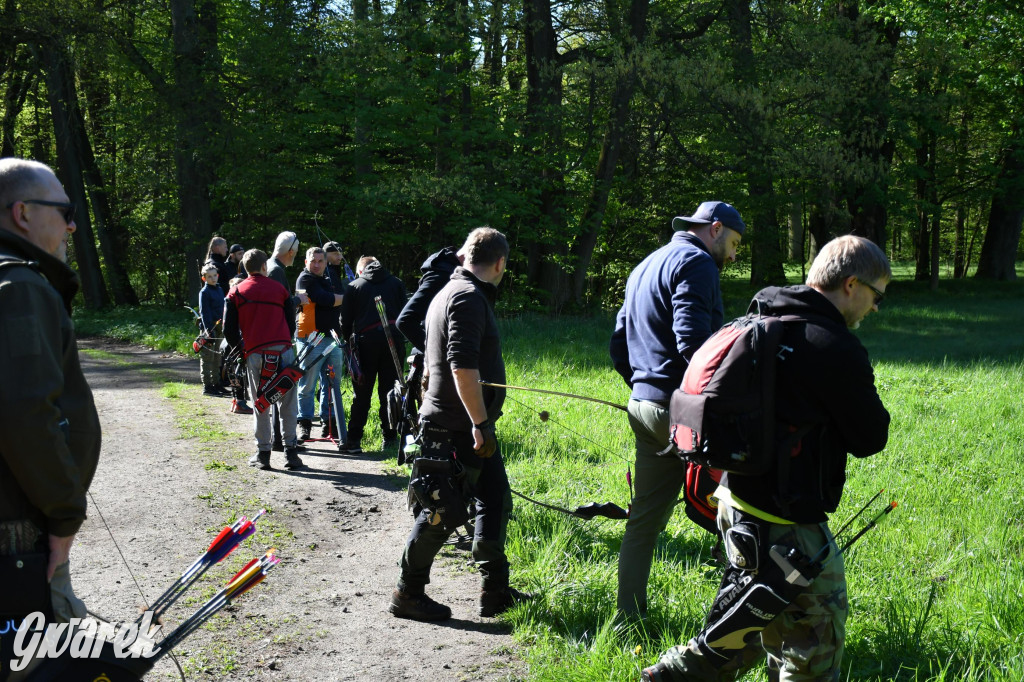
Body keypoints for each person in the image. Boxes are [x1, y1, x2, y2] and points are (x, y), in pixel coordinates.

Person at [642, 235, 891, 682]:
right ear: (852, 284)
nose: (875, 308)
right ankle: (680, 672)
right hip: (788, 520)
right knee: (811, 650)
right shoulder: (832, 345)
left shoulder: (760, 318)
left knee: (751, 617)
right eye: (877, 296)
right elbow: (871, 436)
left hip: (732, 502)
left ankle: (676, 674)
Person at [388, 227, 532, 622]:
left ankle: (495, 590)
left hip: (467, 424)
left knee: (495, 500)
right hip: (456, 427)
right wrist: (480, 424)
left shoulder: (451, 291)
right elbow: (461, 366)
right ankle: (408, 593)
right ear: (500, 263)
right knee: (442, 513)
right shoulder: (467, 297)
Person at [610, 201, 745, 619]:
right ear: (715, 229)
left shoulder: (646, 264)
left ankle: (627, 617)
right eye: (735, 244)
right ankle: (738, 625)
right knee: (737, 510)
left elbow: (619, 344)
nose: (735, 255)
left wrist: (644, 387)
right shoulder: (697, 262)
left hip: (643, 406)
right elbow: (696, 347)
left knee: (644, 520)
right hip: (683, 413)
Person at [0, 159, 101, 642]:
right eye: (64, 210)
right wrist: (63, 519)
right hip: (17, 528)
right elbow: (23, 414)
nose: (72, 223)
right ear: (22, 213)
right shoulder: (18, 287)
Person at [223, 249, 304, 470]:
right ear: (265, 267)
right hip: (283, 351)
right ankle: (291, 454)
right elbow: (290, 322)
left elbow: (228, 329)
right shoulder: (279, 289)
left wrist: (240, 349)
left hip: (256, 353)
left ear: (245, 269)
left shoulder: (236, 292)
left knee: (261, 402)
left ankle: (264, 454)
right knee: (287, 402)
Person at [339, 255, 408, 453]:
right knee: (390, 392)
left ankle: (354, 440)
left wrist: (348, 341)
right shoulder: (397, 283)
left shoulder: (355, 286)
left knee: (362, 393)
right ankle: (390, 438)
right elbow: (405, 314)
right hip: (393, 342)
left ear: (360, 270)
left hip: (365, 344)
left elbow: (345, 320)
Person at [294, 246, 347, 443]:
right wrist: (346, 299)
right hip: (310, 338)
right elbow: (325, 300)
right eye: (312, 261)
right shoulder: (304, 279)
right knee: (308, 383)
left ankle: (329, 422)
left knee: (332, 383)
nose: (316, 265)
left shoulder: (331, 277)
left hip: (332, 337)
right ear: (306, 262)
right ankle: (304, 423)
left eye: (320, 261)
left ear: (326, 262)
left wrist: (340, 300)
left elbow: (336, 300)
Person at [224, 274, 253, 415]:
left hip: (233, 342)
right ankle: (239, 401)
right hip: (237, 343)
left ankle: (236, 400)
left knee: (235, 371)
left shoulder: (230, 301)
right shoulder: (235, 302)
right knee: (238, 373)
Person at [198, 263, 226, 396]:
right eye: (209, 276)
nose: (213, 278)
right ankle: (207, 385)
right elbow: (205, 312)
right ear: (204, 278)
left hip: (220, 327)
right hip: (209, 328)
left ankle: (217, 383)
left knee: (217, 357)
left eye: (214, 275)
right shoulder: (204, 292)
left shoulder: (219, 290)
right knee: (207, 357)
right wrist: (208, 330)